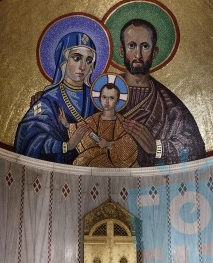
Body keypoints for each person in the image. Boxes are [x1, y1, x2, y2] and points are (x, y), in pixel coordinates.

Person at [119, 19, 206, 166]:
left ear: (155, 52)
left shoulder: (169, 104)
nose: (138, 55)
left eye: (145, 46)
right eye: (132, 46)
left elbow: (195, 146)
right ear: (122, 51)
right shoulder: (103, 91)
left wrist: (157, 147)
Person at [14, 32, 96, 163]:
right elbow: (29, 135)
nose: (82, 66)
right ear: (64, 60)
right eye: (76, 58)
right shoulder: (47, 100)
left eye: (88, 60)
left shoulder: (96, 99)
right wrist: (66, 146)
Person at [61, 82, 138, 168]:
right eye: (104, 97)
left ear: (117, 101)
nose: (107, 101)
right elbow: (82, 129)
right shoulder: (94, 119)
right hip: (95, 155)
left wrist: (108, 144)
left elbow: (129, 144)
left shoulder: (122, 122)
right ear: (100, 99)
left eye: (112, 98)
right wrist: (67, 125)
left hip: (115, 160)